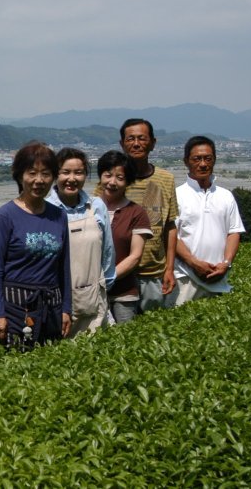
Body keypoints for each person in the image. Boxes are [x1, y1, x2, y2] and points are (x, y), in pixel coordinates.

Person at [0, 142, 72, 351]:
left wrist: (66, 308)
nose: (39, 180)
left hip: (52, 306)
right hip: (16, 307)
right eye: (32, 173)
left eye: (46, 174)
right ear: (19, 175)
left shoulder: (58, 215)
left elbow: (64, 267)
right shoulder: (6, 216)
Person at [96, 118, 178, 313]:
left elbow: (170, 226)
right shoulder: (109, 181)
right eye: (130, 138)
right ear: (122, 144)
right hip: (118, 275)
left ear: (153, 143)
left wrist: (169, 269)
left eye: (142, 138)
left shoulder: (166, 179)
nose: (136, 143)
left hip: (153, 273)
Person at [47, 148, 115, 336]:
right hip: (57, 300)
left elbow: (107, 254)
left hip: (94, 299)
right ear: (55, 175)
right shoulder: (45, 209)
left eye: (78, 172)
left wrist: (102, 286)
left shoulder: (97, 206)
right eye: (65, 172)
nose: (72, 178)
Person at [171, 136, 245, 305]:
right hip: (185, 278)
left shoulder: (226, 196)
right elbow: (171, 235)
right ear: (186, 162)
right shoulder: (176, 195)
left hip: (220, 278)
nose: (203, 164)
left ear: (214, 160)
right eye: (197, 159)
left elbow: (233, 232)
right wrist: (194, 263)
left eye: (208, 158)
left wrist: (226, 264)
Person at [97, 150, 153, 324]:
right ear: (100, 176)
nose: (112, 182)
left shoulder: (136, 213)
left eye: (120, 178)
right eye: (108, 175)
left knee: (124, 340)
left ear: (128, 182)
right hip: (91, 293)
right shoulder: (88, 208)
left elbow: (135, 256)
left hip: (124, 293)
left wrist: (106, 280)